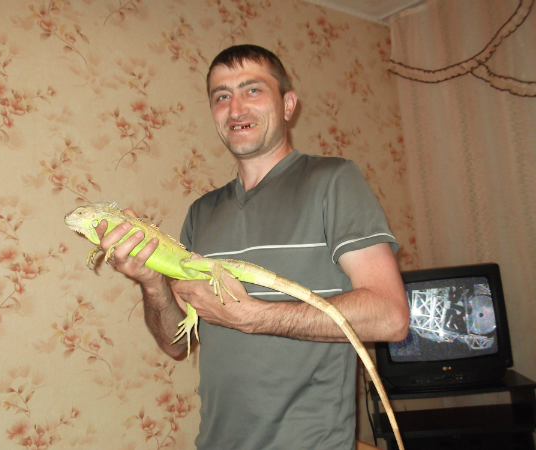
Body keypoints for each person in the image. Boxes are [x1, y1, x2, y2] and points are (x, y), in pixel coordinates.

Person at [96, 45, 409, 450]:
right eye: (221, 96)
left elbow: (390, 317)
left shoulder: (333, 180)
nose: (236, 108)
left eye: (253, 90)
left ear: (288, 105)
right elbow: (177, 345)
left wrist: (252, 316)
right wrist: (151, 281)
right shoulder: (201, 212)